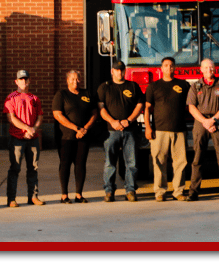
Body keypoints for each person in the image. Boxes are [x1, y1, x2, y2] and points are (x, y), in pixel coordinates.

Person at [186, 58, 219, 202]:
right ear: (201, 70)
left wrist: (213, 120)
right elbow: (191, 107)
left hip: (218, 123)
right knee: (197, 159)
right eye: (206, 68)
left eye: (212, 68)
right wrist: (205, 122)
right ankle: (193, 192)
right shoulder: (195, 86)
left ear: (215, 69)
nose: (209, 70)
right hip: (200, 124)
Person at [97, 60, 145, 202]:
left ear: (125, 71)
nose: (120, 72)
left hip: (130, 130)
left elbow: (140, 105)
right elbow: (101, 108)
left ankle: (130, 191)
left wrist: (128, 120)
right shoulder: (104, 88)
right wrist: (112, 122)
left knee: (132, 162)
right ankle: (109, 191)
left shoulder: (133, 86)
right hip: (111, 131)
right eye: (117, 70)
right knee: (109, 162)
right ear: (112, 71)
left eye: (122, 70)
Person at [144, 57, 191, 201]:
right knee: (159, 162)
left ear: (174, 68)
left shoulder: (184, 85)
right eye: (166, 65)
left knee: (180, 162)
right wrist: (147, 127)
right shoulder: (153, 86)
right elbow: (147, 108)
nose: (169, 68)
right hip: (159, 130)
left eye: (171, 66)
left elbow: (190, 106)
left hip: (179, 130)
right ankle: (160, 192)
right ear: (161, 68)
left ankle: (178, 191)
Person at [52, 70, 98, 204]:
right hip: (66, 137)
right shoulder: (61, 95)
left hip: (83, 136)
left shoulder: (87, 94)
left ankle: (79, 194)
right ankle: (64, 195)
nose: (75, 81)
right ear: (67, 81)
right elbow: (58, 115)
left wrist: (85, 129)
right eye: (72, 79)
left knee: (80, 165)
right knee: (65, 165)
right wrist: (76, 128)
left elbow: (94, 113)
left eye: (77, 79)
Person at [4, 69, 44, 207]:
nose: (24, 81)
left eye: (26, 79)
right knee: (15, 168)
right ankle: (11, 199)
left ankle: (33, 197)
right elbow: (11, 118)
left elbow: (40, 116)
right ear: (16, 81)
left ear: (29, 81)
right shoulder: (11, 98)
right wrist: (26, 128)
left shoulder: (35, 98)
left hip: (33, 138)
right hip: (17, 138)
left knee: (33, 168)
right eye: (21, 79)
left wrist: (34, 129)